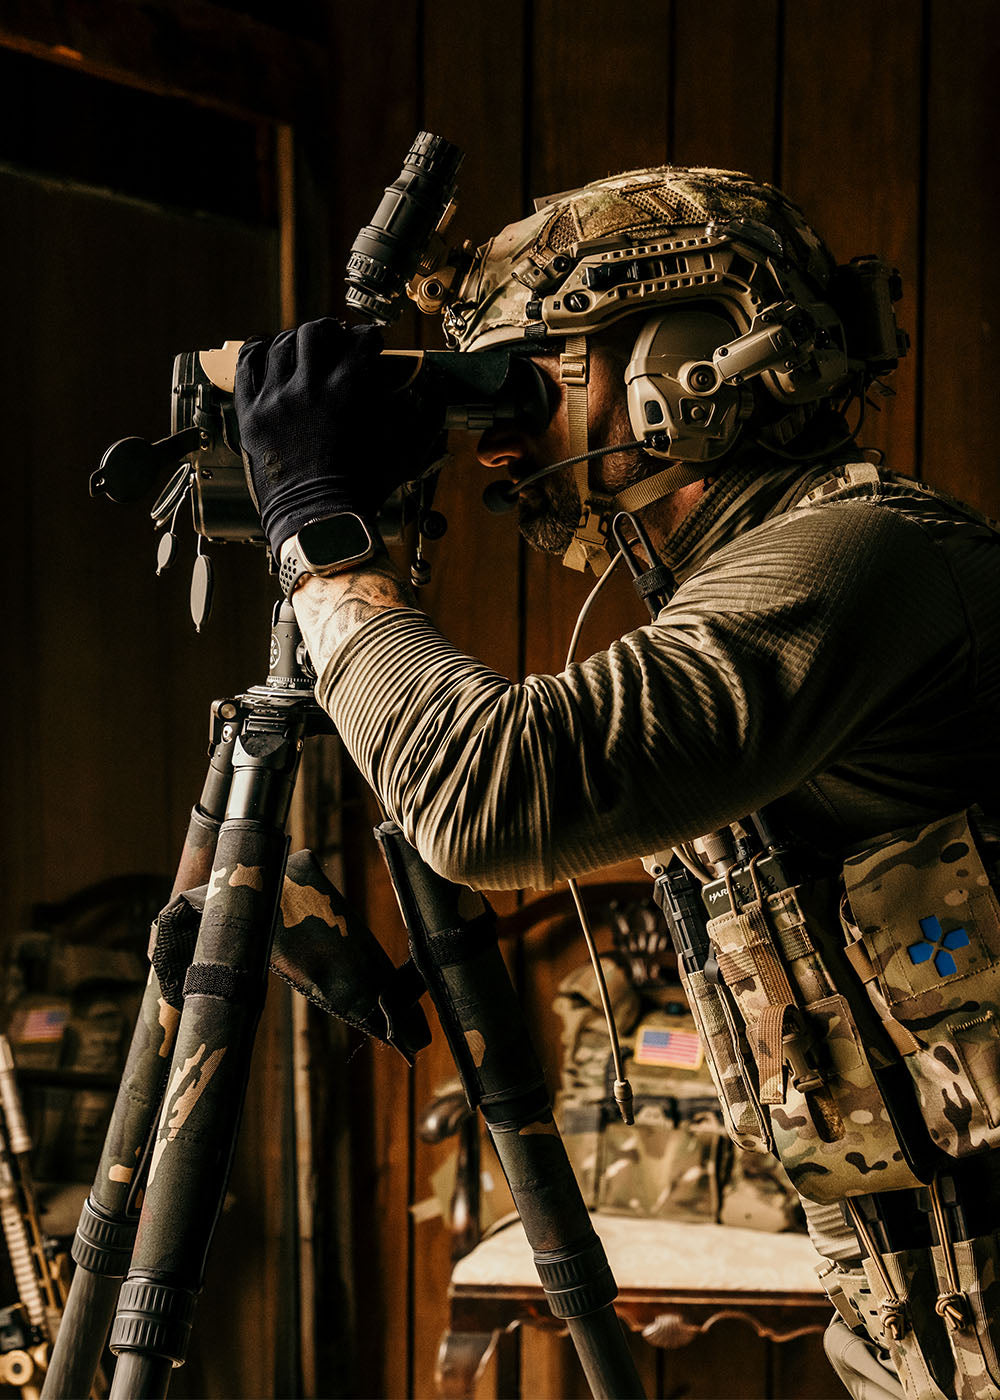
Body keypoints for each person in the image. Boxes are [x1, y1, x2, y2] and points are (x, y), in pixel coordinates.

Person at [234, 165, 1000, 1400]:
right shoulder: (757, 574)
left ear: (683, 357)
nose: (503, 429)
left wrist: (321, 535)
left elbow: (491, 788)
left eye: (534, 377)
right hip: (920, 1326)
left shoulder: (865, 556)